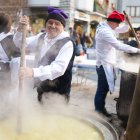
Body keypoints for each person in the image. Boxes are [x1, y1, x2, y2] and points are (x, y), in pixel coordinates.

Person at [13, 7, 75, 103]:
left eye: (57, 23)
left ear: (63, 27)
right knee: (41, 115)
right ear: (46, 24)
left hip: (58, 95)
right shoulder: (41, 37)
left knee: (56, 117)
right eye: (50, 22)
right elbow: (20, 43)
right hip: (42, 90)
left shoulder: (67, 43)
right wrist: (20, 30)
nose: (53, 26)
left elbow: (58, 68)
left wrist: (32, 72)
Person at [94, 10, 140, 117]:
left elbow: (122, 29)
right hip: (104, 65)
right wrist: (137, 50)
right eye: (117, 23)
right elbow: (119, 46)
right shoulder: (104, 31)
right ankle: (98, 112)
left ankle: (100, 109)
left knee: (103, 89)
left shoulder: (108, 27)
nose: (118, 26)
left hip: (108, 63)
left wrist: (127, 22)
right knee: (102, 90)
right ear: (112, 22)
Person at [0, 12, 21, 119]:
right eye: (10, 23)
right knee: (4, 104)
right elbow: (17, 62)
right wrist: (14, 81)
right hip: (4, 75)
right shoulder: (9, 40)